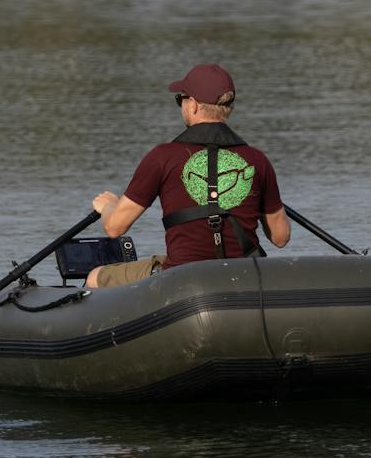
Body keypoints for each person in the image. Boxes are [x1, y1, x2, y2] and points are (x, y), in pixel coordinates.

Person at [87, 63, 291, 289]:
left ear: (193, 105)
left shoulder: (162, 157)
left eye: (180, 99)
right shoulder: (257, 160)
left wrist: (108, 206)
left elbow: (115, 228)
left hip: (183, 279)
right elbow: (280, 237)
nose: (181, 105)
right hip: (243, 276)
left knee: (96, 276)